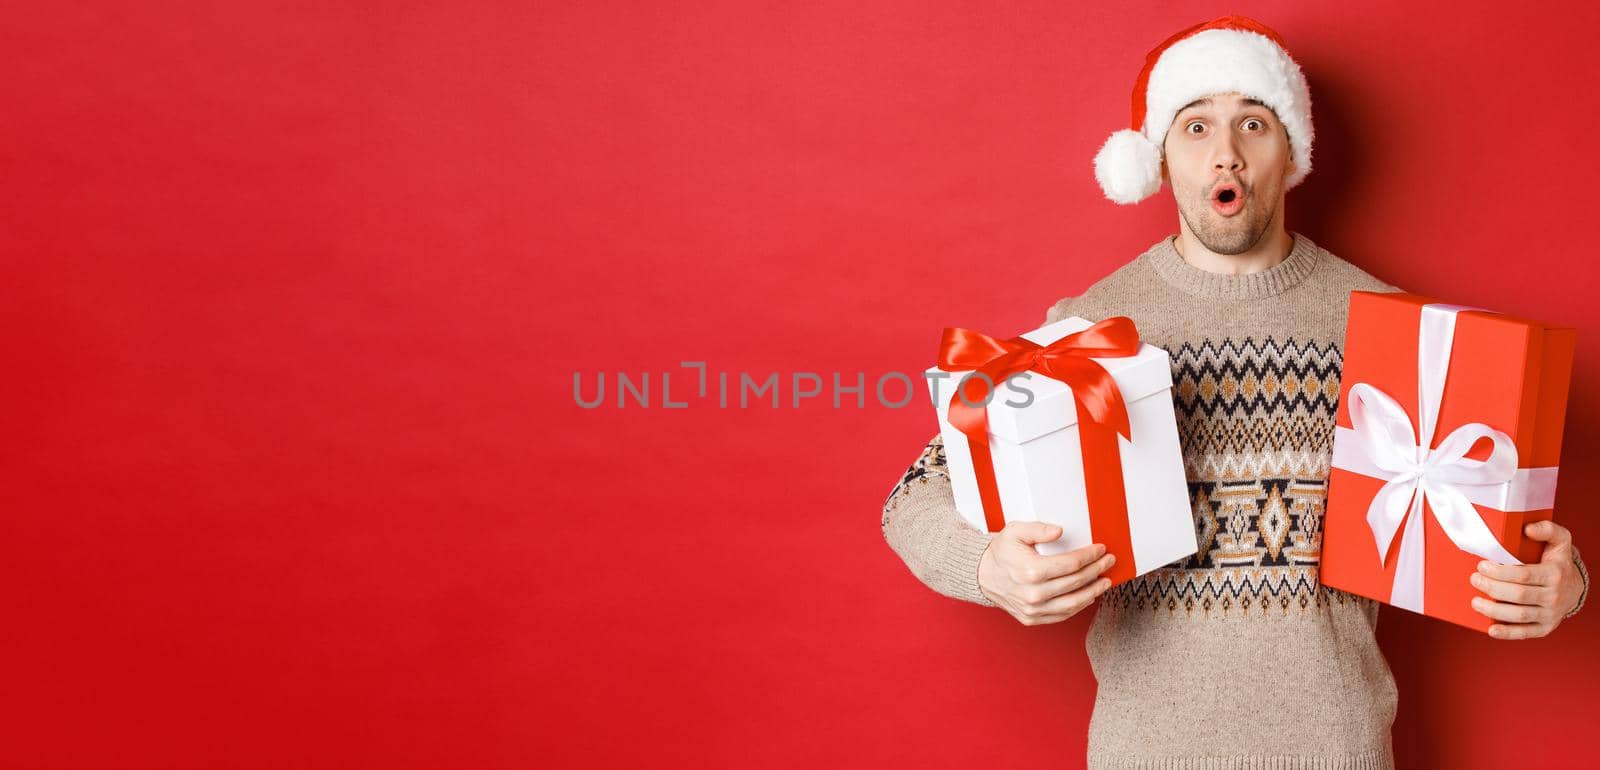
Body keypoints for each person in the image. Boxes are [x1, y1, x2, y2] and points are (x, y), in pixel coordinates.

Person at [880, 15, 1589, 769]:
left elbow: (1503, 532)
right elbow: (913, 499)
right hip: (1146, 753)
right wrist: (989, 568)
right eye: (1195, 127)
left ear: (1291, 152)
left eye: (1253, 122)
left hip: (1337, 751)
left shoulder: (1396, 333)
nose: (1226, 153)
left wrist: (1562, 584)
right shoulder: (1087, 333)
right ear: (1159, 159)